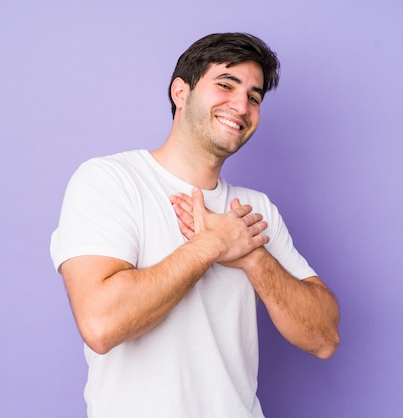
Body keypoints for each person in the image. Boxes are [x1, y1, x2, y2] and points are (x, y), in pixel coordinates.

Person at [50, 32, 340, 418]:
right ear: (180, 93)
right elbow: (101, 324)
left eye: (254, 97)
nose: (241, 105)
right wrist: (211, 246)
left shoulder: (256, 210)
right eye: (226, 84)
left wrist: (253, 257)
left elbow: (323, 338)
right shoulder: (110, 180)